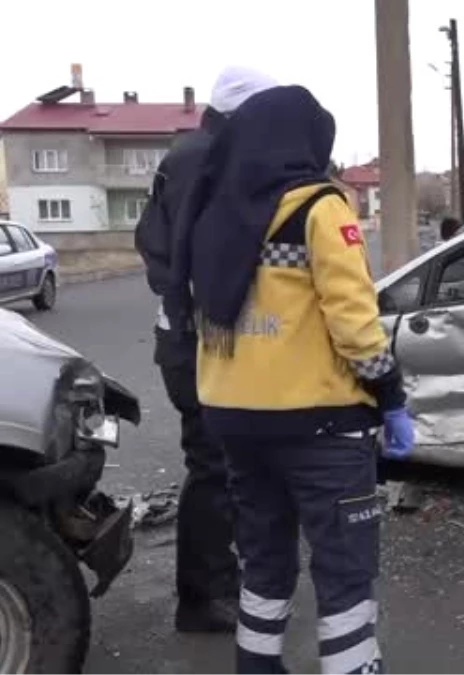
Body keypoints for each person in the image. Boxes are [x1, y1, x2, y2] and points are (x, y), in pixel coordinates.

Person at [174, 85, 414, 674]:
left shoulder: (211, 211)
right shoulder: (318, 208)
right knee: (344, 570)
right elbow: (355, 323)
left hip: (233, 421)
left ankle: (257, 668)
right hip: (321, 425)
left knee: (263, 561)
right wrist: (391, 396)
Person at [133, 65, 278, 633]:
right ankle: (202, 598)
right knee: (214, 463)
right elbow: (192, 252)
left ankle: (219, 580)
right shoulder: (205, 158)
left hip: (190, 336)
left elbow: (153, 242)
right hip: (198, 341)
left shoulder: (190, 154)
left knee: (223, 461)